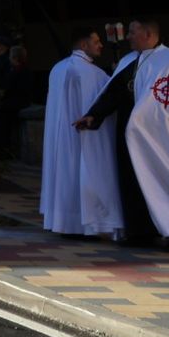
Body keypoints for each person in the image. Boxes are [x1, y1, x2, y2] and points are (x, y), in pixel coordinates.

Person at [75, 19, 169, 246]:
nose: (127, 36)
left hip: (162, 139)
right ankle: (141, 233)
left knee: (165, 180)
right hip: (130, 136)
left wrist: (145, 121)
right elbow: (114, 91)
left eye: (132, 32)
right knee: (132, 183)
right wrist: (94, 115)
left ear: (148, 34)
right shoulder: (129, 61)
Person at [41, 29, 120, 237]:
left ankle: (64, 222)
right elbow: (106, 99)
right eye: (96, 41)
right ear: (84, 45)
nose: (100, 45)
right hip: (82, 137)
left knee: (65, 175)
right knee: (81, 175)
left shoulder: (58, 68)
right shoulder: (90, 73)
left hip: (61, 139)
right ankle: (85, 225)